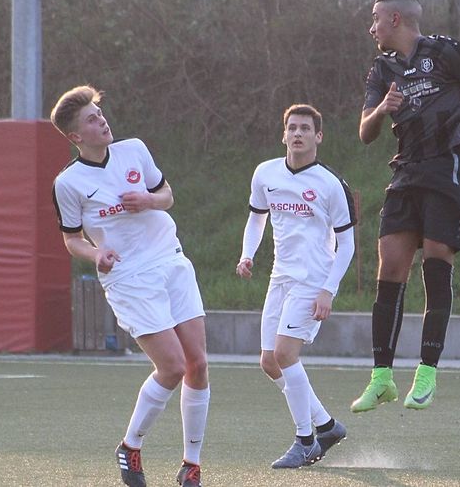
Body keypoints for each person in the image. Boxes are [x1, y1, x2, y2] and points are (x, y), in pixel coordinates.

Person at [350, 0, 460, 412]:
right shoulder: (381, 69)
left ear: (396, 19)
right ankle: (381, 378)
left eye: (376, 19)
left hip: (446, 168)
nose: (371, 28)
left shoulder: (444, 52)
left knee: (437, 260)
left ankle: (426, 372)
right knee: (390, 266)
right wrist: (382, 109)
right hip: (405, 173)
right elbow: (365, 133)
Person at [50, 85, 209, 487]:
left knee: (198, 364)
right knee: (172, 367)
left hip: (171, 260)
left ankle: (191, 465)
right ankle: (130, 446)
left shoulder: (134, 149)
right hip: (129, 277)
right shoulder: (68, 183)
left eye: (99, 113)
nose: (102, 121)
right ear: (76, 136)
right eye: (91, 119)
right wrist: (96, 254)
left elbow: (167, 194)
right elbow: (72, 239)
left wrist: (149, 200)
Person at [236, 104, 356, 468]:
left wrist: (328, 290)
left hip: (313, 280)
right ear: (283, 135)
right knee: (269, 362)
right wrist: (247, 255)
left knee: (285, 354)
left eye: (305, 128)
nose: (298, 133)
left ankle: (306, 441)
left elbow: (347, 244)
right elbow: (256, 218)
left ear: (318, 136)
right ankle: (327, 426)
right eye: (292, 128)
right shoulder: (265, 173)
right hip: (280, 277)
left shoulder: (331, 184)